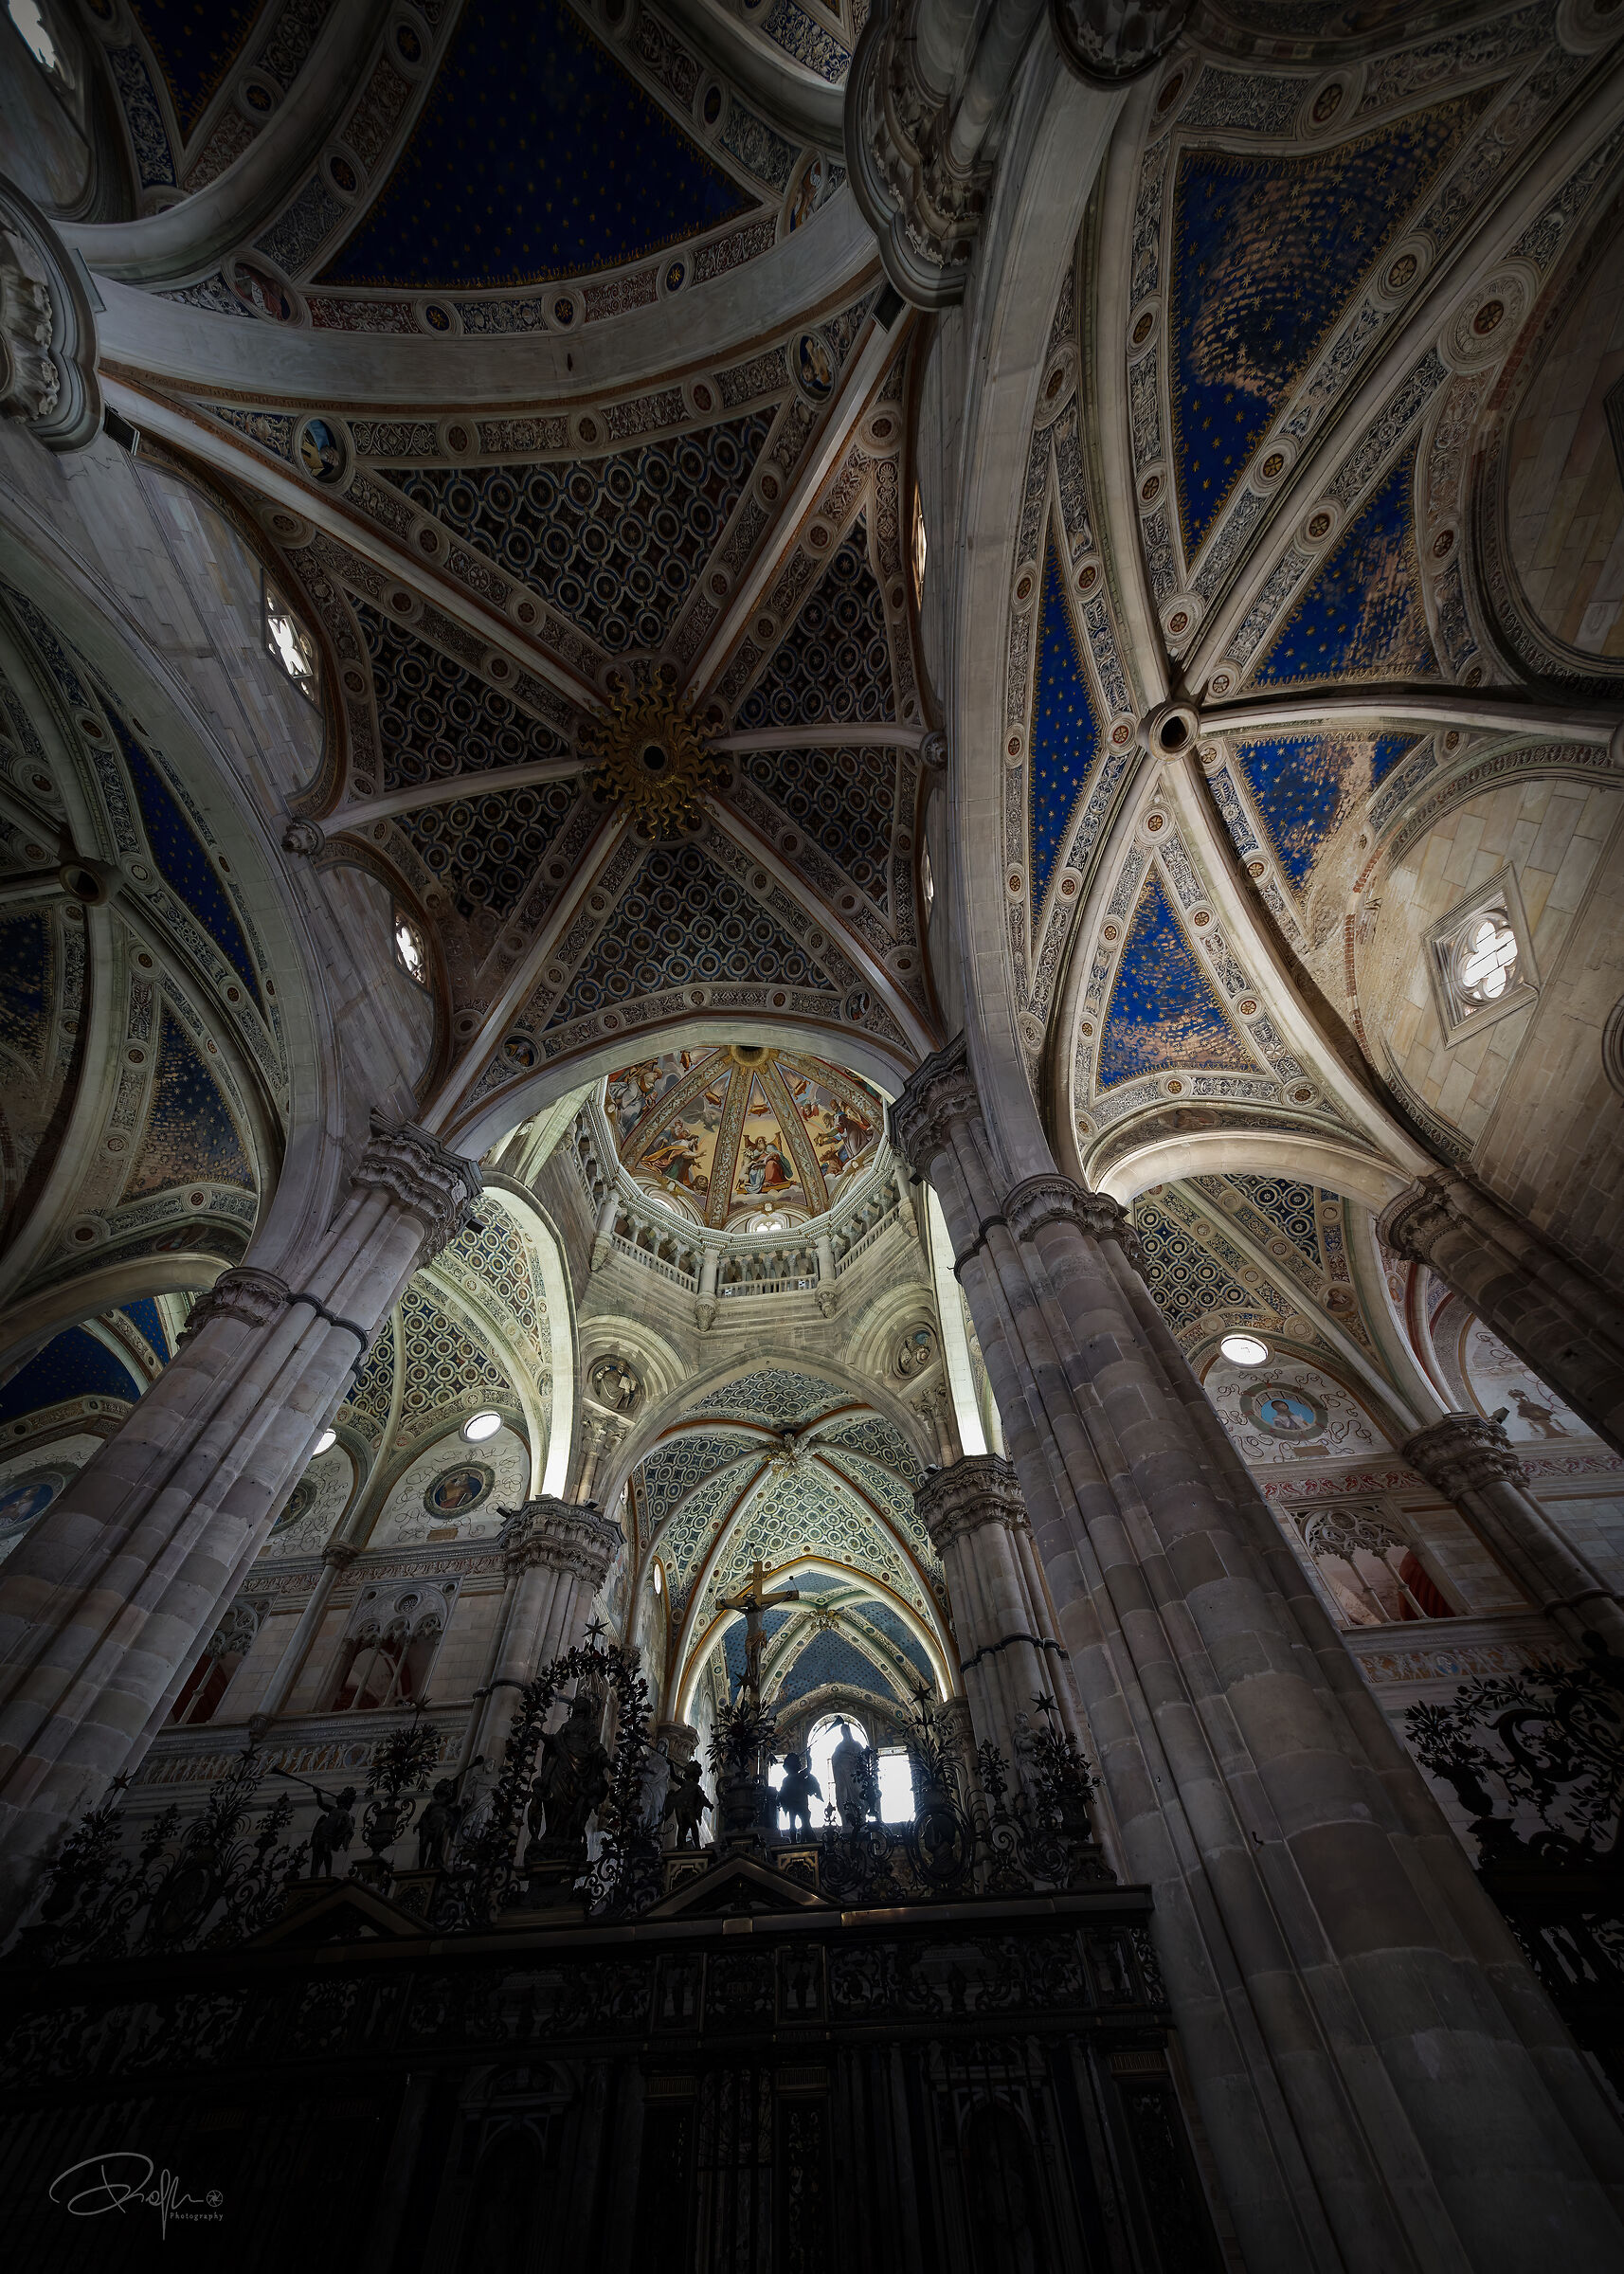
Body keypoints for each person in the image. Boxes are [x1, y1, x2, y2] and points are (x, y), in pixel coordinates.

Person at [777, 1752, 822, 1841]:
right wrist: (808, 1757)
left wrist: (808, 1756)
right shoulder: (794, 1777)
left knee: (800, 1824)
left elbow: (809, 1768)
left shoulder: (793, 1777)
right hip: (796, 1805)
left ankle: (799, 1842)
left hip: (799, 1805)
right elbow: (782, 1792)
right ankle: (797, 1842)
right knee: (799, 1824)